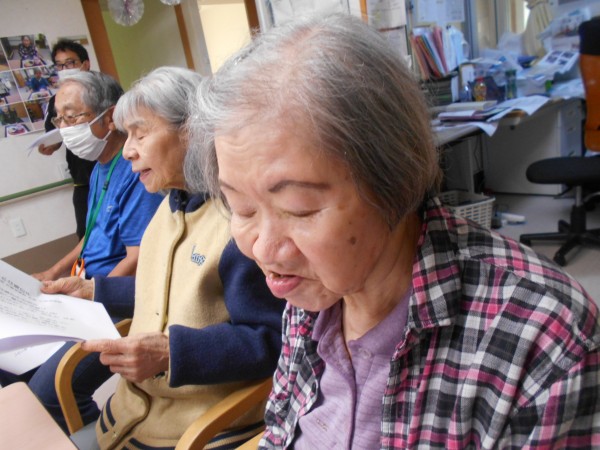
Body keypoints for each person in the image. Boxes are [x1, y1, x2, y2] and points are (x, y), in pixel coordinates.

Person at [186, 13, 600, 449]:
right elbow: (280, 431)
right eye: (241, 208)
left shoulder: (545, 340)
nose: (264, 249)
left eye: (299, 210)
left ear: (394, 179)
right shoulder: (311, 292)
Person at [41, 67, 285, 449]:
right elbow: (169, 289)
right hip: (131, 413)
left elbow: (272, 339)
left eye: (140, 134)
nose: (127, 150)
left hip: (198, 425)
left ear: (192, 131)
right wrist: (94, 290)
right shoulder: (169, 208)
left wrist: (171, 352)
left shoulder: (237, 226)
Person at [0, 71, 163, 431]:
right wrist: (52, 272)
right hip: (85, 290)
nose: (63, 127)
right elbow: (89, 237)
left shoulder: (136, 172)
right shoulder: (100, 169)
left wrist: (91, 298)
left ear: (110, 117)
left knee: (51, 392)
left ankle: (89, 434)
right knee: (7, 361)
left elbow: (138, 258)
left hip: (113, 301)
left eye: (72, 117)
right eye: (59, 118)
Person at [39, 39, 95, 240]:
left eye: (70, 63)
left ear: (85, 64)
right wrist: (48, 146)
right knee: (86, 235)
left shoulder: (105, 91)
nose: (65, 69)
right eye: (60, 65)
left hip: (112, 168)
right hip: (83, 178)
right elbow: (52, 137)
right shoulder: (56, 101)